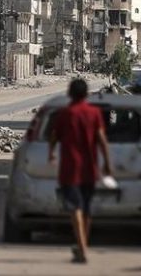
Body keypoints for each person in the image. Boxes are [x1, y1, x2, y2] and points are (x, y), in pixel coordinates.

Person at [48, 78, 112, 264]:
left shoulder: (66, 113)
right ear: (86, 94)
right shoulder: (94, 113)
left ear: (70, 93)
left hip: (70, 169)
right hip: (90, 168)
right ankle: (82, 244)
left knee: (75, 207)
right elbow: (101, 139)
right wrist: (107, 163)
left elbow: (54, 136)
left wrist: (51, 153)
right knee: (86, 208)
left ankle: (82, 248)